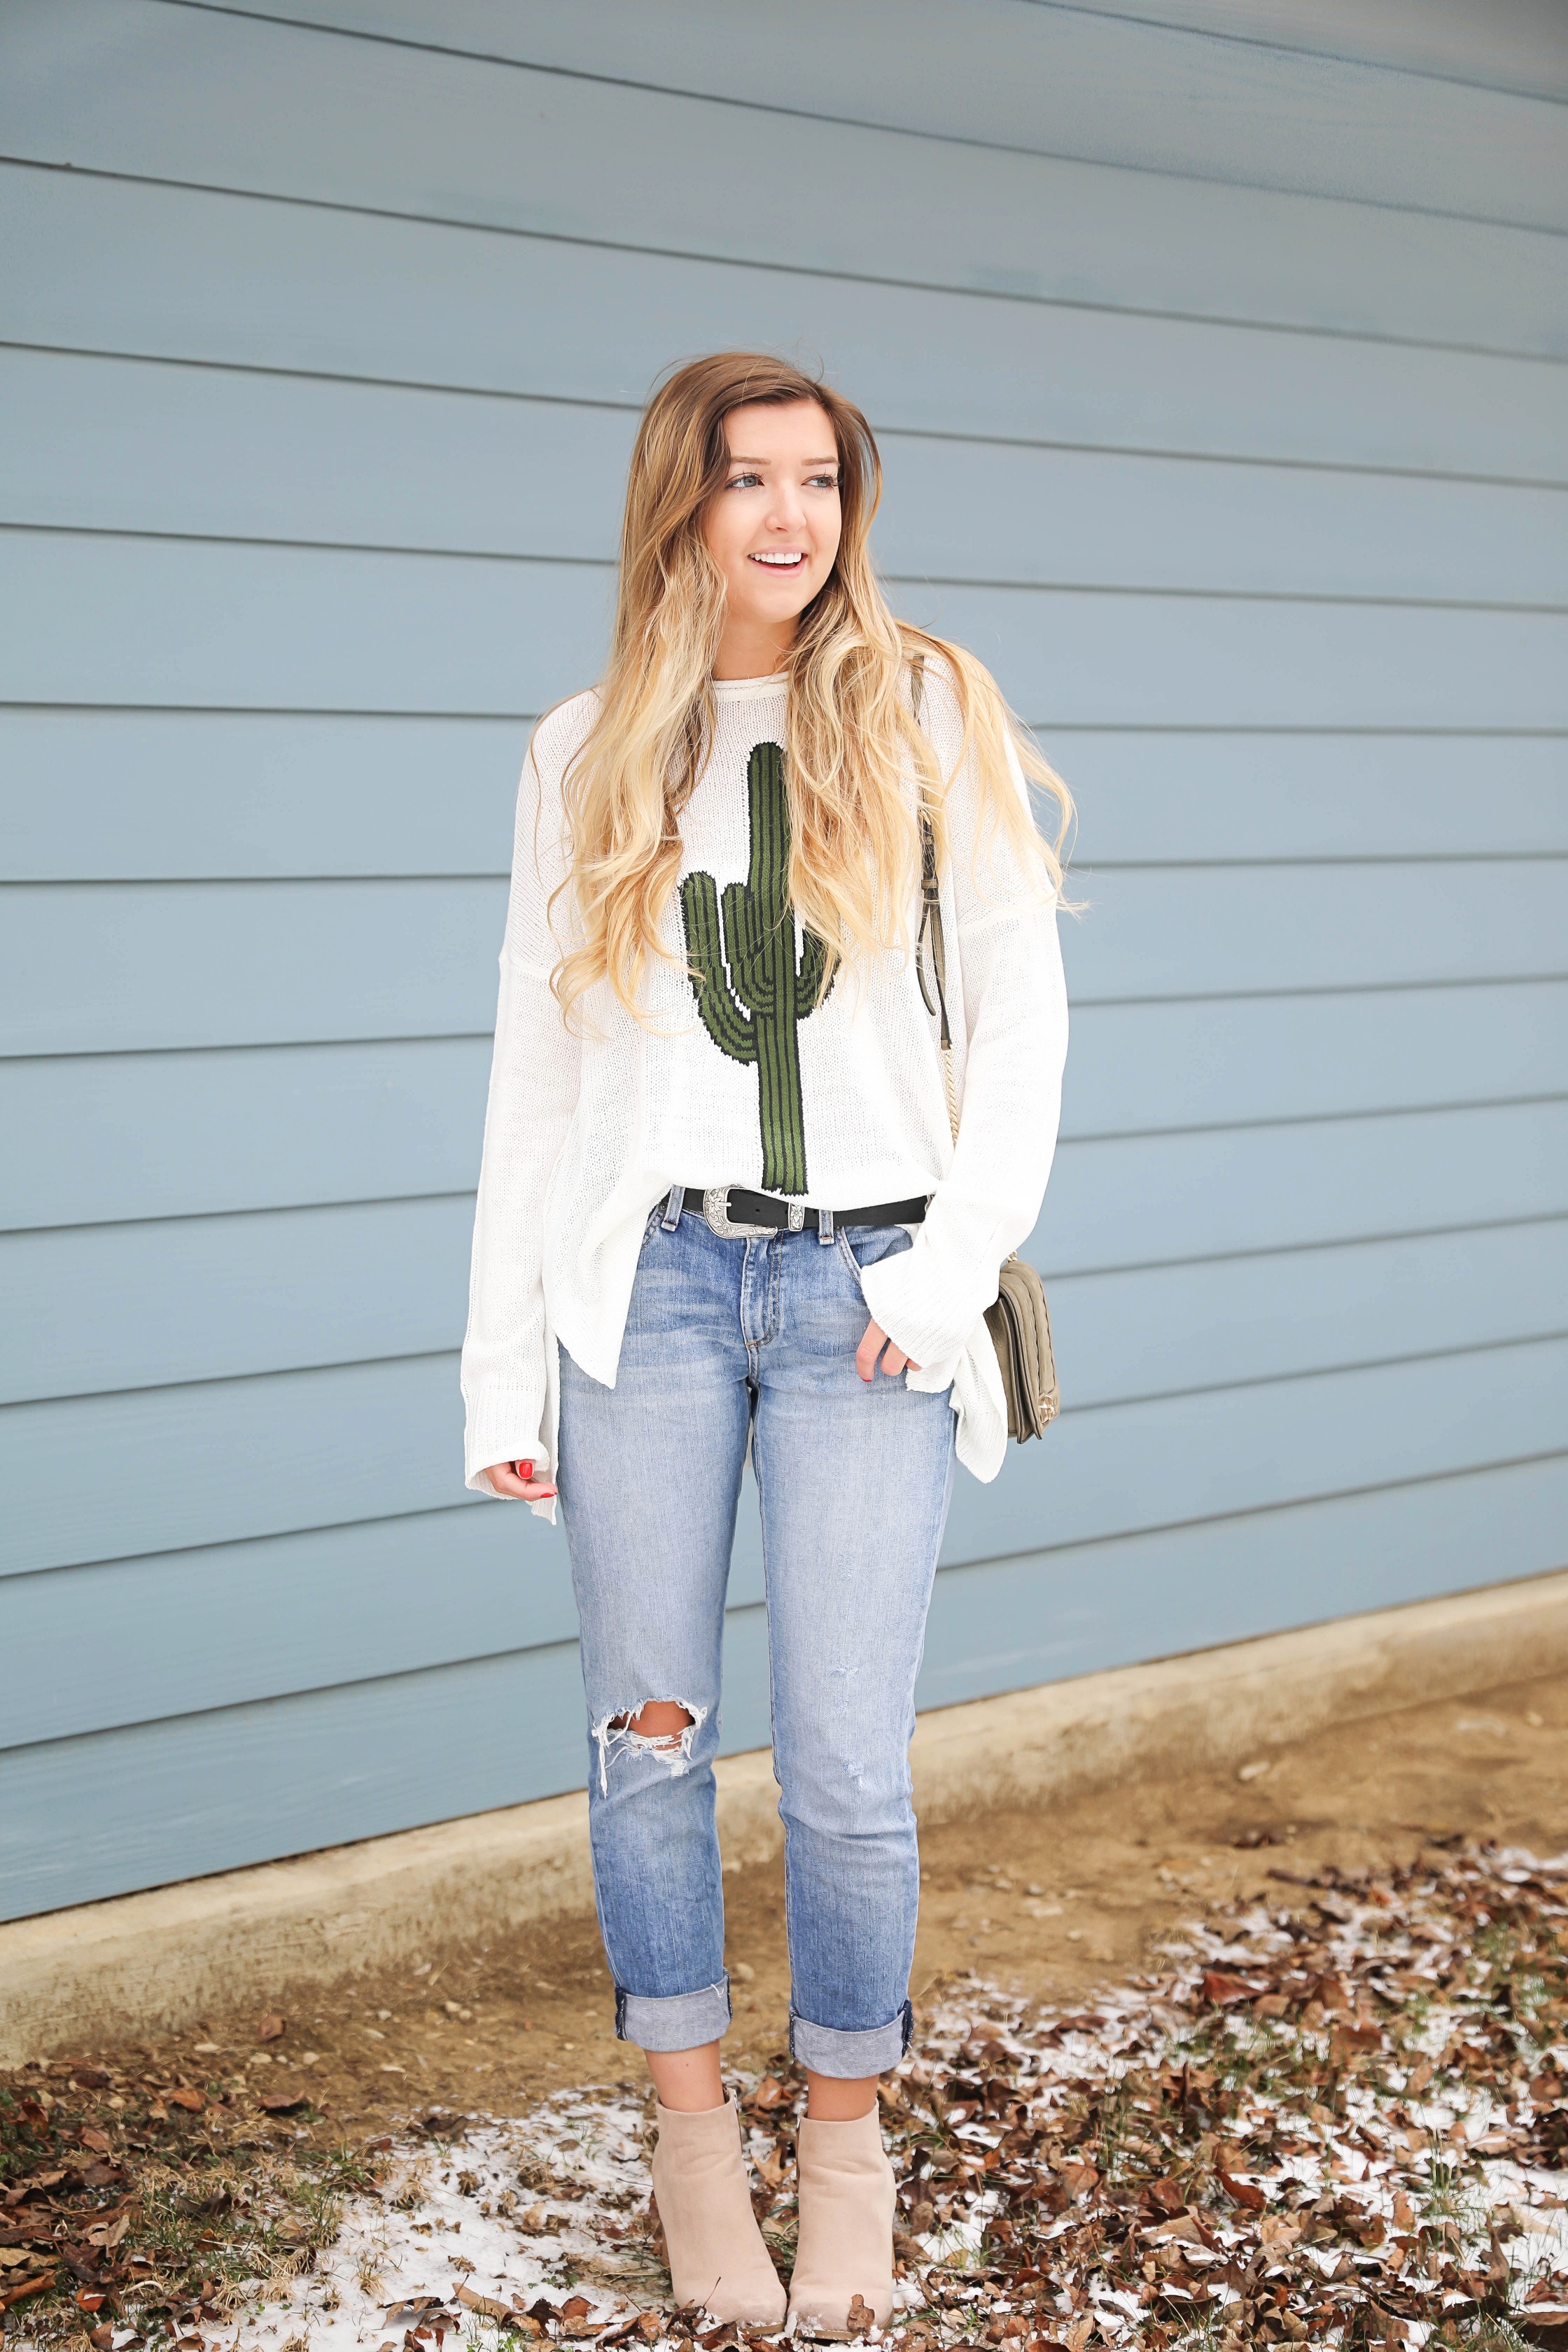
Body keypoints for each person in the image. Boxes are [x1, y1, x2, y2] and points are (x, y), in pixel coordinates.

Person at [461, 352, 1070, 2330]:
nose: (791, 517)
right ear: (683, 507)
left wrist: (941, 1272)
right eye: (749, 481)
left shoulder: (922, 712)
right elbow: (535, 1079)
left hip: (865, 1301)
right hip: (643, 1293)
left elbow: (1020, 1017)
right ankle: (691, 2134)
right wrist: (501, 1364)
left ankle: (843, 2143)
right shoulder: (586, 751)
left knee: (844, 1766)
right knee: (650, 1746)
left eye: (820, 480)